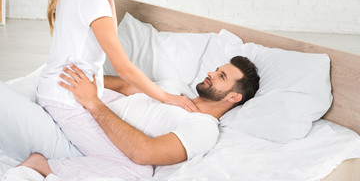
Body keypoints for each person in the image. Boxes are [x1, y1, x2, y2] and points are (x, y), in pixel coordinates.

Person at [35, 0, 197, 180]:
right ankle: (43, 167)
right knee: (138, 170)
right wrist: (166, 97)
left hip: (61, 88)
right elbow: (123, 67)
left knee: (132, 98)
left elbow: (107, 32)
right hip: (67, 99)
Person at [19, 56, 260, 181]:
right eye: (216, 69)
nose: (210, 73)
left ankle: (45, 167)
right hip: (86, 106)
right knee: (139, 174)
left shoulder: (204, 128)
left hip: (96, 117)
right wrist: (84, 83)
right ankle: (44, 166)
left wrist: (93, 101)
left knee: (141, 172)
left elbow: (144, 153)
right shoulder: (175, 89)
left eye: (221, 76)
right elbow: (125, 86)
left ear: (233, 97)